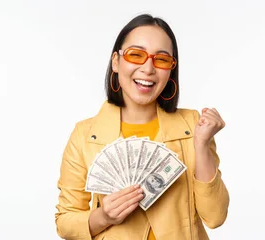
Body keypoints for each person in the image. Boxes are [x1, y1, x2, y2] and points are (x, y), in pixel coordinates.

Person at [55, 14, 230, 240]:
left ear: (171, 70)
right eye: (136, 55)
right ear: (116, 62)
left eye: (162, 59)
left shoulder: (194, 126)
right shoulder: (84, 135)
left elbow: (215, 217)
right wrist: (104, 216)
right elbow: (65, 222)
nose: (148, 69)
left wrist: (201, 144)